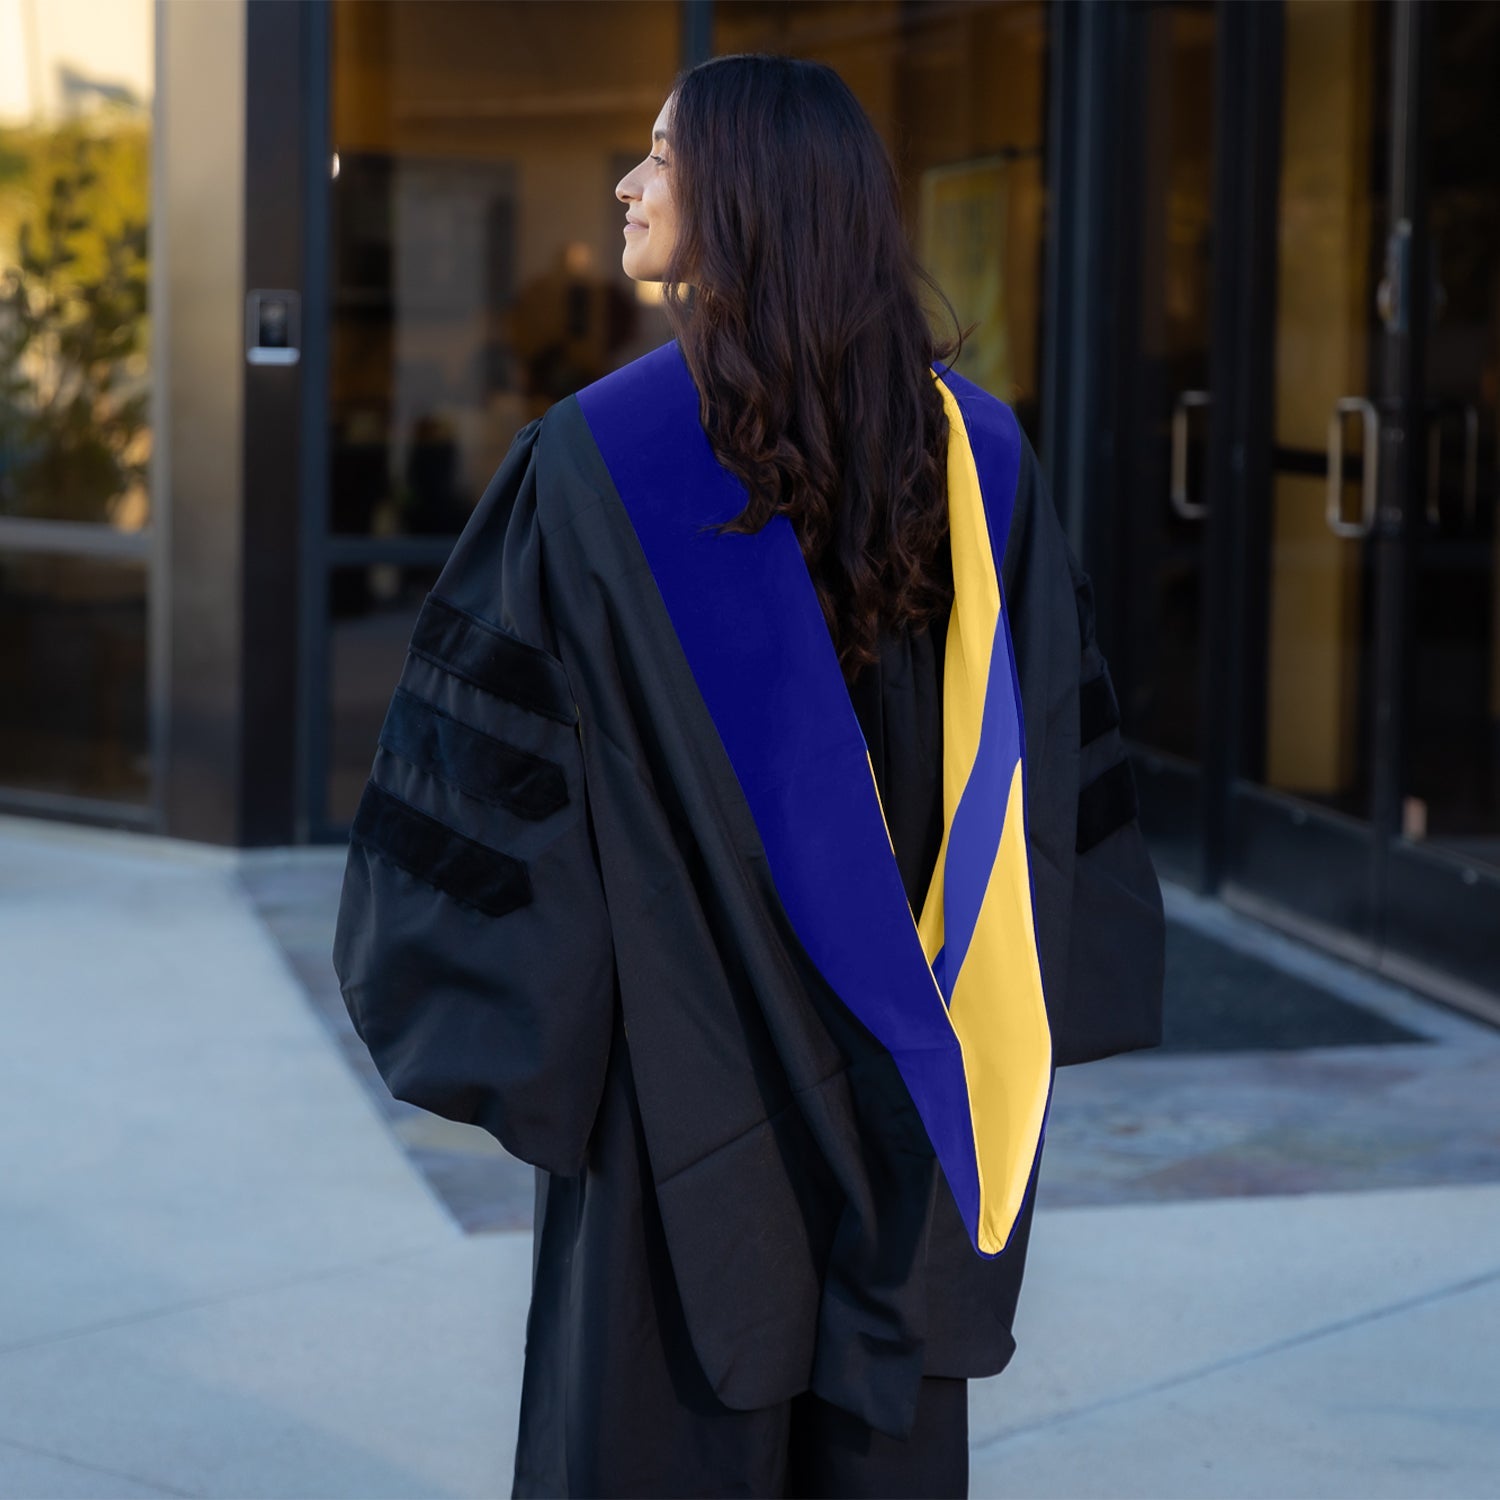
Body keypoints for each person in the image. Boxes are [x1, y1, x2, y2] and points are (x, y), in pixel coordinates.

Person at [332, 53, 1164, 1500]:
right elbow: (1045, 814)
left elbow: (503, 820)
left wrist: (542, 1042)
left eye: (661, 157)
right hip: (920, 1087)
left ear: (748, 201)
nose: (627, 186)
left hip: (679, 1112)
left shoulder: (598, 468)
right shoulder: (977, 462)